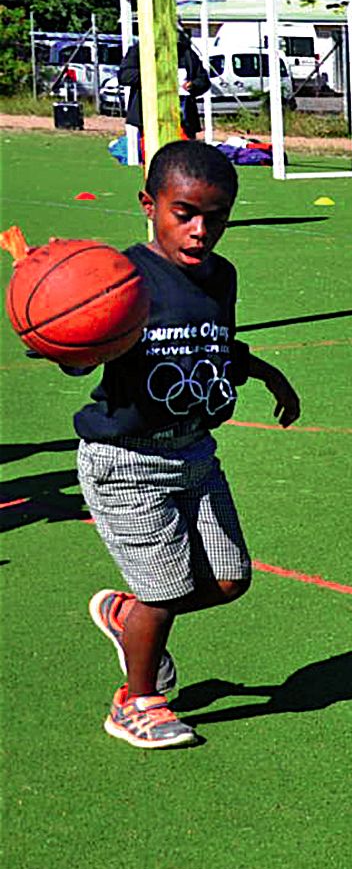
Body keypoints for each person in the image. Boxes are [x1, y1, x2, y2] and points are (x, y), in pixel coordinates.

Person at [73, 141, 300, 748]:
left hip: (195, 453)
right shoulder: (118, 279)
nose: (201, 230)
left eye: (216, 216)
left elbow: (219, 343)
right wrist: (61, 339)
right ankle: (136, 701)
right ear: (150, 205)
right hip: (129, 460)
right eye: (184, 213)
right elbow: (79, 347)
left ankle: (128, 621)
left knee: (229, 580)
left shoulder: (221, 276)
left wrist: (268, 374)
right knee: (164, 592)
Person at [118, 31, 212, 157]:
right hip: (150, 115)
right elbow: (125, 77)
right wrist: (153, 75)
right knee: (155, 157)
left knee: (187, 157)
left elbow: (204, 80)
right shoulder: (139, 51)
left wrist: (193, 85)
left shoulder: (186, 53)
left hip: (182, 114)